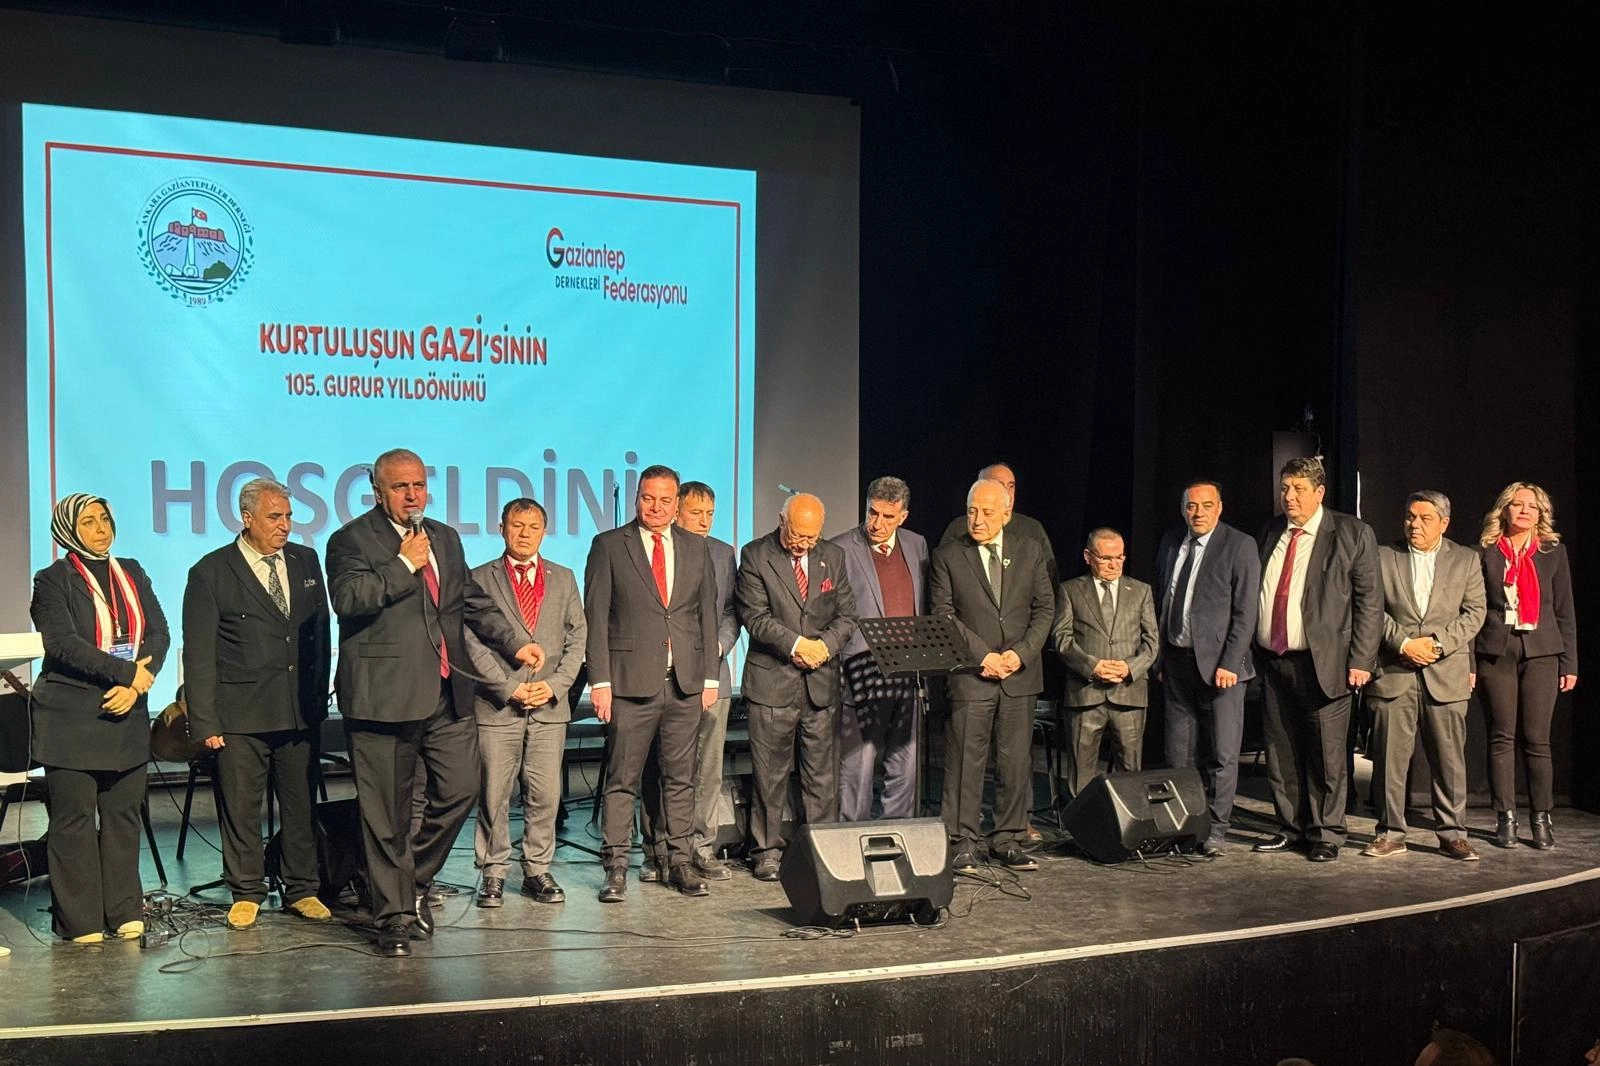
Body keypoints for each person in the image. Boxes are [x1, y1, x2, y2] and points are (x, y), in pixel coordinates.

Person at [327, 449, 543, 957]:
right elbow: (349, 599)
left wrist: (514, 642)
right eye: (400, 487)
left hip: (447, 694)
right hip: (383, 699)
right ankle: (394, 917)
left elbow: (469, 601)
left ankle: (410, 883)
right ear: (377, 491)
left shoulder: (443, 537)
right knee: (387, 814)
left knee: (462, 789)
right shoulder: (350, 540)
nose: (412, 496)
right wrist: (404, 564)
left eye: (419, 485)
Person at [182, 478, 333, 931]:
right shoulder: (211, 572)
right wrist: (205, 720)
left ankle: (302, 888)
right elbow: (199, 653)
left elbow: (320, 633)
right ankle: (246, 891)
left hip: (298, 709)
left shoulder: (305, 561)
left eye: (288, 516)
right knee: (241, 807)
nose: (285, 525)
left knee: (300, 803)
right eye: (274, 517)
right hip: (240, 713)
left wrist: (319, 696)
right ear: (246, 518)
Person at [29, 494, 169, 943]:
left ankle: (124, 909)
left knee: (123, 815)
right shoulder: (52, 580)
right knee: (74, 822)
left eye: (104, 518)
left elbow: (158, 633)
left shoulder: (132, 571)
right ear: (68, 530)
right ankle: (81, 920)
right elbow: (62, 644)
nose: (101, 528)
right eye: (88, 521)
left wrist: (136, 686)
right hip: (72, 716)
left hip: (126, 710)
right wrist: (127, 674)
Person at [584, 464, 720, 903]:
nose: (656, 507)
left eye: (665, 500)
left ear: (677, 503)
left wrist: (710, 677)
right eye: (648, 498)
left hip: (684, 684)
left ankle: (679, 862)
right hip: (628, 685)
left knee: (680, 780)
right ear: (637, 498)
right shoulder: (609, 545)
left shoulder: (696, 547)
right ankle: (616, 867)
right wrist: (599, 682)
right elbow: (595, 618)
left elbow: (706, 614)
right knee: (622, 781)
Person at [1253, 456, 1381, 862]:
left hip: (1326, 663)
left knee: (1326, 756)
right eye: (1285, 488)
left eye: (1298, 489)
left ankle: (1326, 832)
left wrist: (1361, 660)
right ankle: (1291, 828)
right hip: (1273, 660)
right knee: (1281, 751)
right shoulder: (1270, 531)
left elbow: (1370, 603)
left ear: (1320, 492)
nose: (1289, 497)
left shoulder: (1351, 533)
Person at [928, 478, 1054, 872]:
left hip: (1019, 675)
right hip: (972, 675)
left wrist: (1020, 654)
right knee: (966, 761)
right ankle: (962, 841)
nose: (977, 519)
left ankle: (1008, 838)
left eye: (986, 512)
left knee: (1014, 762)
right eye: (971, 510)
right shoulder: (948, 556)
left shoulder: (1029, 550)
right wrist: (983, 655)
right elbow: (944, 615)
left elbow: (1044, 610)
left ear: (1006, 514)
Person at [465, 498, 586, 907]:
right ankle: (493, 872)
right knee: (493, 794)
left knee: (545, 795)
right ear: (502, 528)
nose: (525, 533)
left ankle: (537, 869)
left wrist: (554, 686)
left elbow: (577, 640)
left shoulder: (564, 578)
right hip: (498, 705)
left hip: (549, 705)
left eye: (533, 527)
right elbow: (471, 642)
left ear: (544, 532)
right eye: (517, 525)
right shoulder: (479, 578)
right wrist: (507, 687)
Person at [736, 493, 857, 880]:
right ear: (781, 521)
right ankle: (766, 850)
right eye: (798, 535)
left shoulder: (832, 556)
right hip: (773, 682)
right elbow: (755, 617)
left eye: (812, 536)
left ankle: (822, 849)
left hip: (820, 684)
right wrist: (796, 645)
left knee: (822, 776)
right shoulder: (756, 555)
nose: (804, 543)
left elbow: (847, 615)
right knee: (770, 775)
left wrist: (824, 647)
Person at [1362, 491, 1486, 861]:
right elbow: (1371, 608)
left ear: (1444, 523)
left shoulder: (1465, 559)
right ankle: (1390, 833)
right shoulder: (1383, 556)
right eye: (1410, 517)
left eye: (1425, 518)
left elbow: (1475, 612)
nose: (1414, 525)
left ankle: (1453, 834)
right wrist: (1403, 643)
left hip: (1445, 674)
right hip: (1394, 672)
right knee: (1389, 761)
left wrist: (1436, 644)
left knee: (1449, 761)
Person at [1154, 479, 1260, 856]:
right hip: (1176, 664)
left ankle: (1216, 829)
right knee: (1177, 754)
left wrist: (1230, 662)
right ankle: (1184, 825)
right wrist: (1161, 658)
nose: (1197, 513)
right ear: (1183, 509)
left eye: (1206, 506)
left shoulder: (1239, 545)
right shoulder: (1171, 541)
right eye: (1191, 506)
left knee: (1221, 754)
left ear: (1220, 508)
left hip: (1221, 670)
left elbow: (1246, 612)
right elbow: (1163, 600)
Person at [1473, 481, 1578, 850]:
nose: (1524, 511)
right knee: (1501, 737)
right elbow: (1473, 609)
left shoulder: (1553, 551)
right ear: (1504, 509)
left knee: (1537, 739)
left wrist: (1570, 662)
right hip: (1496, 651)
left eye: (1532, 507)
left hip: (1542, 652)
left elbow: (1564, 610)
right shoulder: (1486, 551)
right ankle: (1506, 818)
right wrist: (1470, 660)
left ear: (1540, 514)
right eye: (1517, 505)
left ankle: (1541, 818)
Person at [643, 480, 740, 881]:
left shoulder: (722, 552)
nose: (703, 521)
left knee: (708, 768)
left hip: (713, 676)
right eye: (696, 513)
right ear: (676, 511)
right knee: (661, 765)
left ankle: (701, 847)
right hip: (664, 677)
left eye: (709, 515)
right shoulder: (656, 548)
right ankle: (657, 850)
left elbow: (731, 611)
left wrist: (719, 645)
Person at [831, 476, 928, 821]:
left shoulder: (917, 545)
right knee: (857, 767)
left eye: (888, 516)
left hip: (907, 673)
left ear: (903, 516)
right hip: (861, 674)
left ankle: (897, 832)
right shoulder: (841, 548)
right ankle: (851, 835)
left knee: (905, 765)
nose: (877, 523)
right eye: (873, 513)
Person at [1052, 527, 1158, 798]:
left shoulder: (1141, 591)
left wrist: (1129, 668)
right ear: (1088, 557)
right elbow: (1062, 639)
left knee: (1130, 772)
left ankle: (1129, 823)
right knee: (1082, 773)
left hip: (1129, 694)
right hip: (1086, 694)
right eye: (1106, 558)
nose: (1114, 564)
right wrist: (1092, 667)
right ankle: (1084, 825)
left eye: (1119, 557)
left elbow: (1152, 642)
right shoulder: (1070, 590)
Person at [939, 462, 1058, 583]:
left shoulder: (1032, 529)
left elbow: (1049, 581)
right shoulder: (958, 529)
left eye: (1011, 486)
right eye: (999, 485)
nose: (1008, 493)